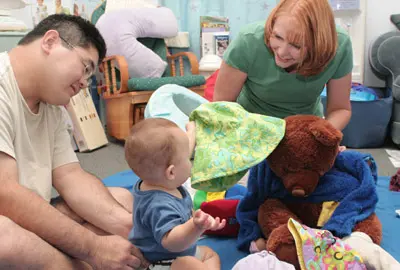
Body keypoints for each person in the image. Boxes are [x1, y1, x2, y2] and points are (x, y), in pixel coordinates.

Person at [0, 14, 147, 269]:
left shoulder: (52, 108)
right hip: (6, 221)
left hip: (26, 216)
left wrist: (131, 229)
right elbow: (6, 195)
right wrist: (94, 248)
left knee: (122, 202)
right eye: (86, 67)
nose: (83, 83)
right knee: (6, 238)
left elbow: (70, 176)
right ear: (50, 41)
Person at [214, 0, 353, 132]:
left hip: (306, 130)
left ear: (319, 45)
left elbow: (340, 109)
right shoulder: (248, 41)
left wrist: (324, 134)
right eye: (277, 37)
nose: (282, 52)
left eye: (296, 45)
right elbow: (221, 107)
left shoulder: (339, 46)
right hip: (250, 128)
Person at [125, 118, 226, 270]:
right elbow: (172, 242)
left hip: (179, 253)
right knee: (190, 264)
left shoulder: (158, 180)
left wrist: (191, 132)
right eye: (188, 159)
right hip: (159, 261)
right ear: (171, 172)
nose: (190, 162)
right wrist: (195, 226)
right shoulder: (159, 205)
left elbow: (182, 150)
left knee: (210, 254)